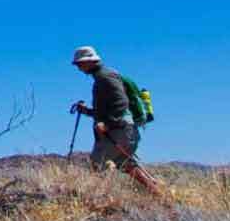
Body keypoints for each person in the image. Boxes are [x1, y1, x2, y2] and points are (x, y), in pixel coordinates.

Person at [69, 45, 163, 197]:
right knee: (127, 165)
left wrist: (108, 124)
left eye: (80, 64)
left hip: (119, 130)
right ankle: (160, 196)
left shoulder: (105, 76)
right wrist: (86, 111)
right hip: (124, 130)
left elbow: (121, 103)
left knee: (97, 162)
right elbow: (103, 112)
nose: (78, 67)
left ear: (90, 61)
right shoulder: (103, 76)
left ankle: (101, 198)